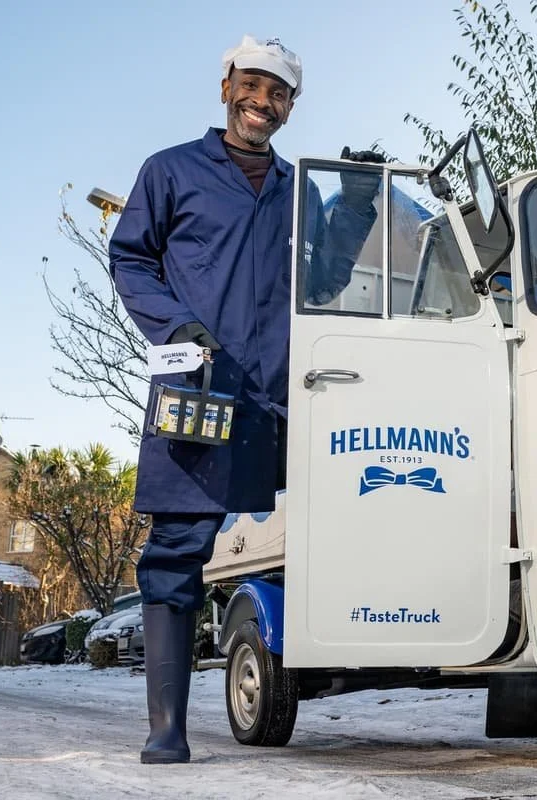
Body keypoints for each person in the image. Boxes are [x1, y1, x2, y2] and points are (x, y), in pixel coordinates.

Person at [109, 34, 379, 764]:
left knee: (336, 525)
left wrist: (355, 207)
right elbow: (129, 256)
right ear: (226, 84)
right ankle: (166, 729)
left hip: (286, 395)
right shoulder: (170, 172)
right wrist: (175, 324)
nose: (263, 102)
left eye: (279, 92)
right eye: (252, 86)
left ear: (293, 105)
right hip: (200, 382)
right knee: (176, 550)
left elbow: (319, 285)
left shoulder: (301, 189)